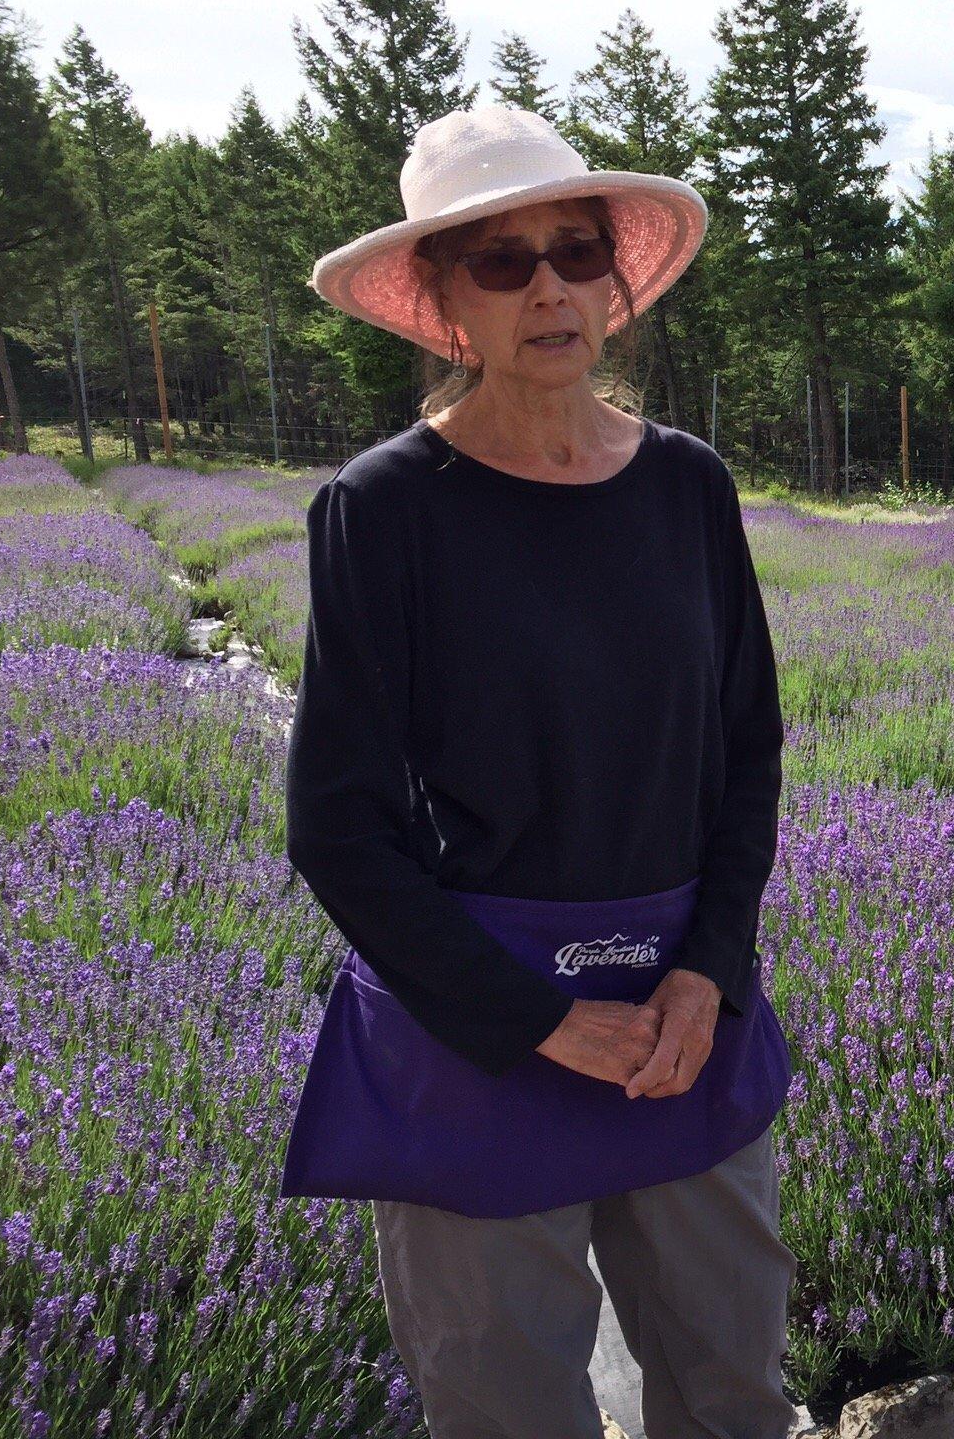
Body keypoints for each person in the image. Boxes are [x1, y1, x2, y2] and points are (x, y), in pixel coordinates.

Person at [277, 104, 798, 1439]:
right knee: (508, 1406)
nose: (550, 288)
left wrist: (710, 969)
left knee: (732, 1390)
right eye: (502, 263)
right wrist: (532, 1020)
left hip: (684, 1011)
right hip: (478, 1031)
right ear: (445, 298)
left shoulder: (688, 488)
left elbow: (747, 748)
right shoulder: (383, 511)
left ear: (615, 281)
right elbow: (338, 827)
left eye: (575, 251)